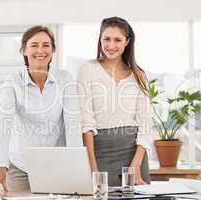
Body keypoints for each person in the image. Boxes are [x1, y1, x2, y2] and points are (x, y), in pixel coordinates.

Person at [0, 25, 82, 192]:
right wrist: (0, 164)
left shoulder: (65, 79)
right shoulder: (12, 83)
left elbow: (73, 124)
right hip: (21, 166)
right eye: (34, 45)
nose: (40, 50)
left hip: (56, 165)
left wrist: (77, 166)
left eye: (46, 45)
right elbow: (2, 124)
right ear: (24, 50)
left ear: (53, 50)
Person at [77, 17, 152, 186]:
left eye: (118, 40)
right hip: (98, 152)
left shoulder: (139, 75)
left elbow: (145, 122)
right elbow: (86, 121)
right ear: (100, 40)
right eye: (106, 39)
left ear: (127, 42)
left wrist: (136, 164)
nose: (111, 45)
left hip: (133, 154)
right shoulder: (87, 69)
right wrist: (92, 168)